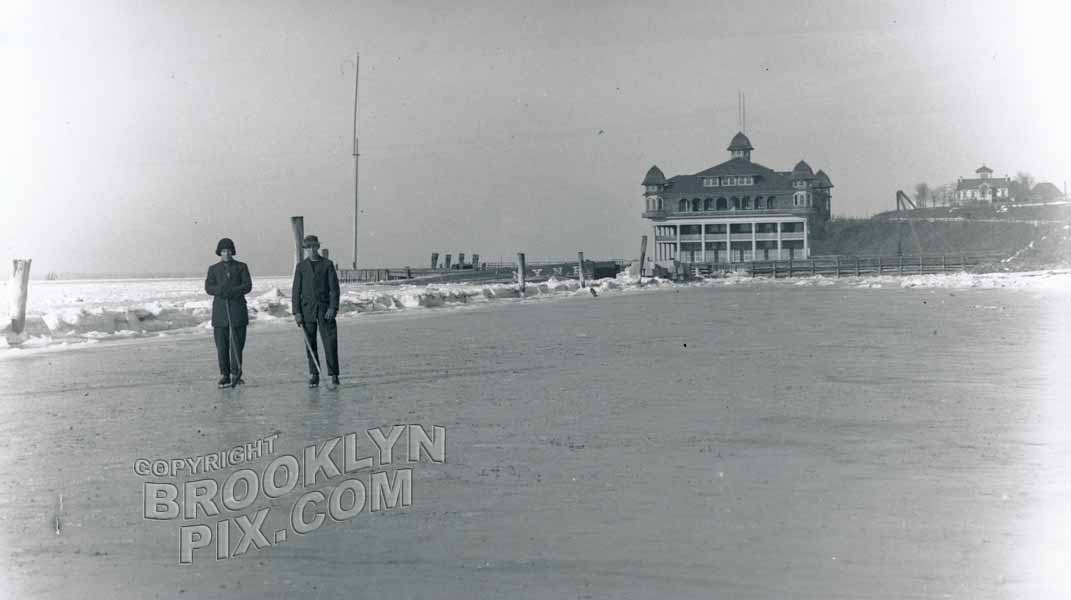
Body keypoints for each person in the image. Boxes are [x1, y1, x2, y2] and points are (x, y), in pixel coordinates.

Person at [292, 234, 341, 387]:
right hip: (307, 312)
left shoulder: (327, 264)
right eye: (308, 247)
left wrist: (333, 308)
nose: (312, 250)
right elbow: (295, 291)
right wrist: (297, 312)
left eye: (314, 246)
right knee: (310, 344)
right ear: (305, 249)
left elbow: (334, 289)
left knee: (330, 343)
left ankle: (334, 375)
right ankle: (314, 374)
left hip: (325, 311)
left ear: (318, 247)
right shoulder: (301, 267)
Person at [205, 238, 252, 387]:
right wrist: (220, 291)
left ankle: (236, 373)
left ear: (233, 252)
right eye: (223, 251)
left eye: (229, 251)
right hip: (220, 313)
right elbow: (208, 287)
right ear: (219, 252)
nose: (226, 253)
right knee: (222, 345)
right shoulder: (213, 269)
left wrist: (233, 291)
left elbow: (247, 285)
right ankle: (224, 374)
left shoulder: (242, 267)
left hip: (237, 311)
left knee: (237, 344)